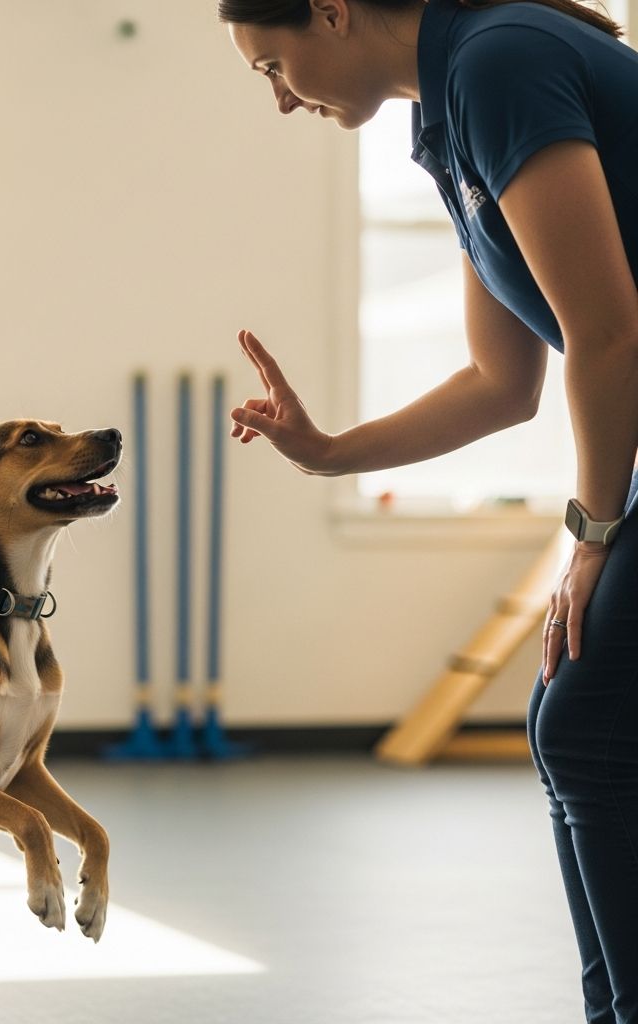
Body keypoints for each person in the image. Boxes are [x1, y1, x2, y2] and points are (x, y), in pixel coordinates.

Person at [219, 0, 638, 1019]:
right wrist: (328, 454)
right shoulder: (444, 121)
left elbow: (609, 332)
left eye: (276, 66)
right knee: (569, 722)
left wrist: (589, 535)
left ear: (332, 11)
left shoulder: (501, 61)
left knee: (582, 723)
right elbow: (502, 381)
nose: (281, 100)